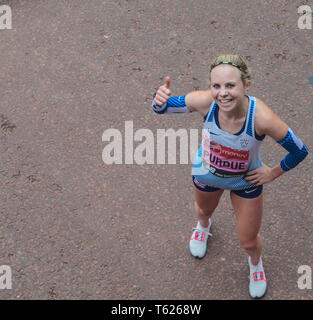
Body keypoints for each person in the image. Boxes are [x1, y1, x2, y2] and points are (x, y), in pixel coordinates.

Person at [151, 54, 309, 299]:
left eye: (230, 85)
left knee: (248, 240)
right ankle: (204, 227)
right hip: (207, 175)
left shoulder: (261, 117)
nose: (222, 93)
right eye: (216, 86)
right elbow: (163, 108)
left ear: (246, 85)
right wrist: (158, 100)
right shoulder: (205, 102)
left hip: (246, 182)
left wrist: (273, 173)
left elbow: (300, 150)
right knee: (203, 212)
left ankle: (255, 264)